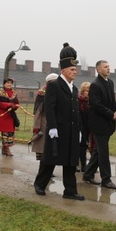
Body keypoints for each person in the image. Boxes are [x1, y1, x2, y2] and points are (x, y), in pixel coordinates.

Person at [33, 43, 85, 200]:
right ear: (63, 71)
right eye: (72, 70)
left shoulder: (74, 89)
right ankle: (40, 184)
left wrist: (79, 129)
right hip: (58, 129)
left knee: (70, 161)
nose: (75, 72)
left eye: (75, 70)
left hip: (72, 130)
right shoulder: (54, 85)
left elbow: (75, 111)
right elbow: (50, 108)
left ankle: (70, 190)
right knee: (50, 158)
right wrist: (52, 127)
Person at [82, 60, 116, 189]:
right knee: (103, 152)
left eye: (109, 66)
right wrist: (111, 114)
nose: (108, 69)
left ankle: (87, 174)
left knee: (98, 152)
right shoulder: (95, 85)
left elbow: (112, 101)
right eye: (105, 67)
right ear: (99, 70)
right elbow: (96, 104)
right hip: (98, 124)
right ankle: (106, 179)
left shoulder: (110, 82)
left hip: (108, 123)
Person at [30, 74, 59, 160]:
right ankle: (43, 170)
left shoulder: (56, 93)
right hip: (43, 123)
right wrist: (37, 127)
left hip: (54, 122)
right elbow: (38, 112)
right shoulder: (42, 94)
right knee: (43, 148)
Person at [0, 77, 20, 156]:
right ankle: (6, 148)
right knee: (5, 131)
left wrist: (15, 106)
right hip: (3, 114)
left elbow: (17, 103)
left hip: (11, 115)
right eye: (7, 83)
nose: (9, 84)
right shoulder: (0, 92)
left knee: (10, 132)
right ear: (4, 84)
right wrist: (7, 105)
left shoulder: (14, 93)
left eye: (10, 83)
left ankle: (4, 148)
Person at [77, 81, 93, 172]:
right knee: (80, 146)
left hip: (88, 127)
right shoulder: (79, 101)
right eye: (86, 91)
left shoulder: (91, 102)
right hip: (80, 126)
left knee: (85, 146)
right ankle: (82, 165)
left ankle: (85, 165)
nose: (88, 93)